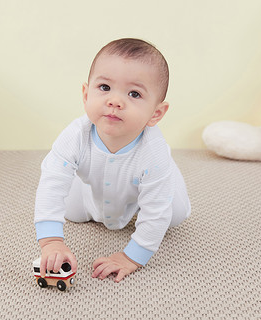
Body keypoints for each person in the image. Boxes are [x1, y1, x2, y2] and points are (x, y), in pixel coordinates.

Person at [34, 38, 191, 283]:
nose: (115, 101)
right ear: (86, 95)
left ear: (156, 113)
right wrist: (51, 241)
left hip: (145, 184)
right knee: (72, 211)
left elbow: (157, 211)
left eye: (134, 93)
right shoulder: (75, 136)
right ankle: (96, 202)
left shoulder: (153, 152)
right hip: (92, 186)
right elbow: (51, 184)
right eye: (105, 87)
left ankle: (165, 179)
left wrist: (132, 257)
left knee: (173, 215)